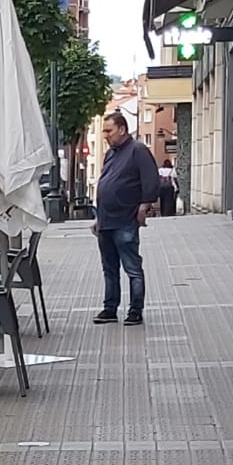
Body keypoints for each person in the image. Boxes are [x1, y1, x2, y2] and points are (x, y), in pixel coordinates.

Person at [93, 110, 155, 325]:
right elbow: (105, 184)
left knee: (132, 268)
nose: (106, 135)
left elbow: (150, 179)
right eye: (104, 131)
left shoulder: (137, 150)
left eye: (109, 131)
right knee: (109, 268)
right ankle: (110, 308)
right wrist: (98, 218)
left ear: (122, 129)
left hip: (125, 220)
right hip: (106, 221)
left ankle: (135, 311)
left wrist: (144, 206)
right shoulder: (111, 153)